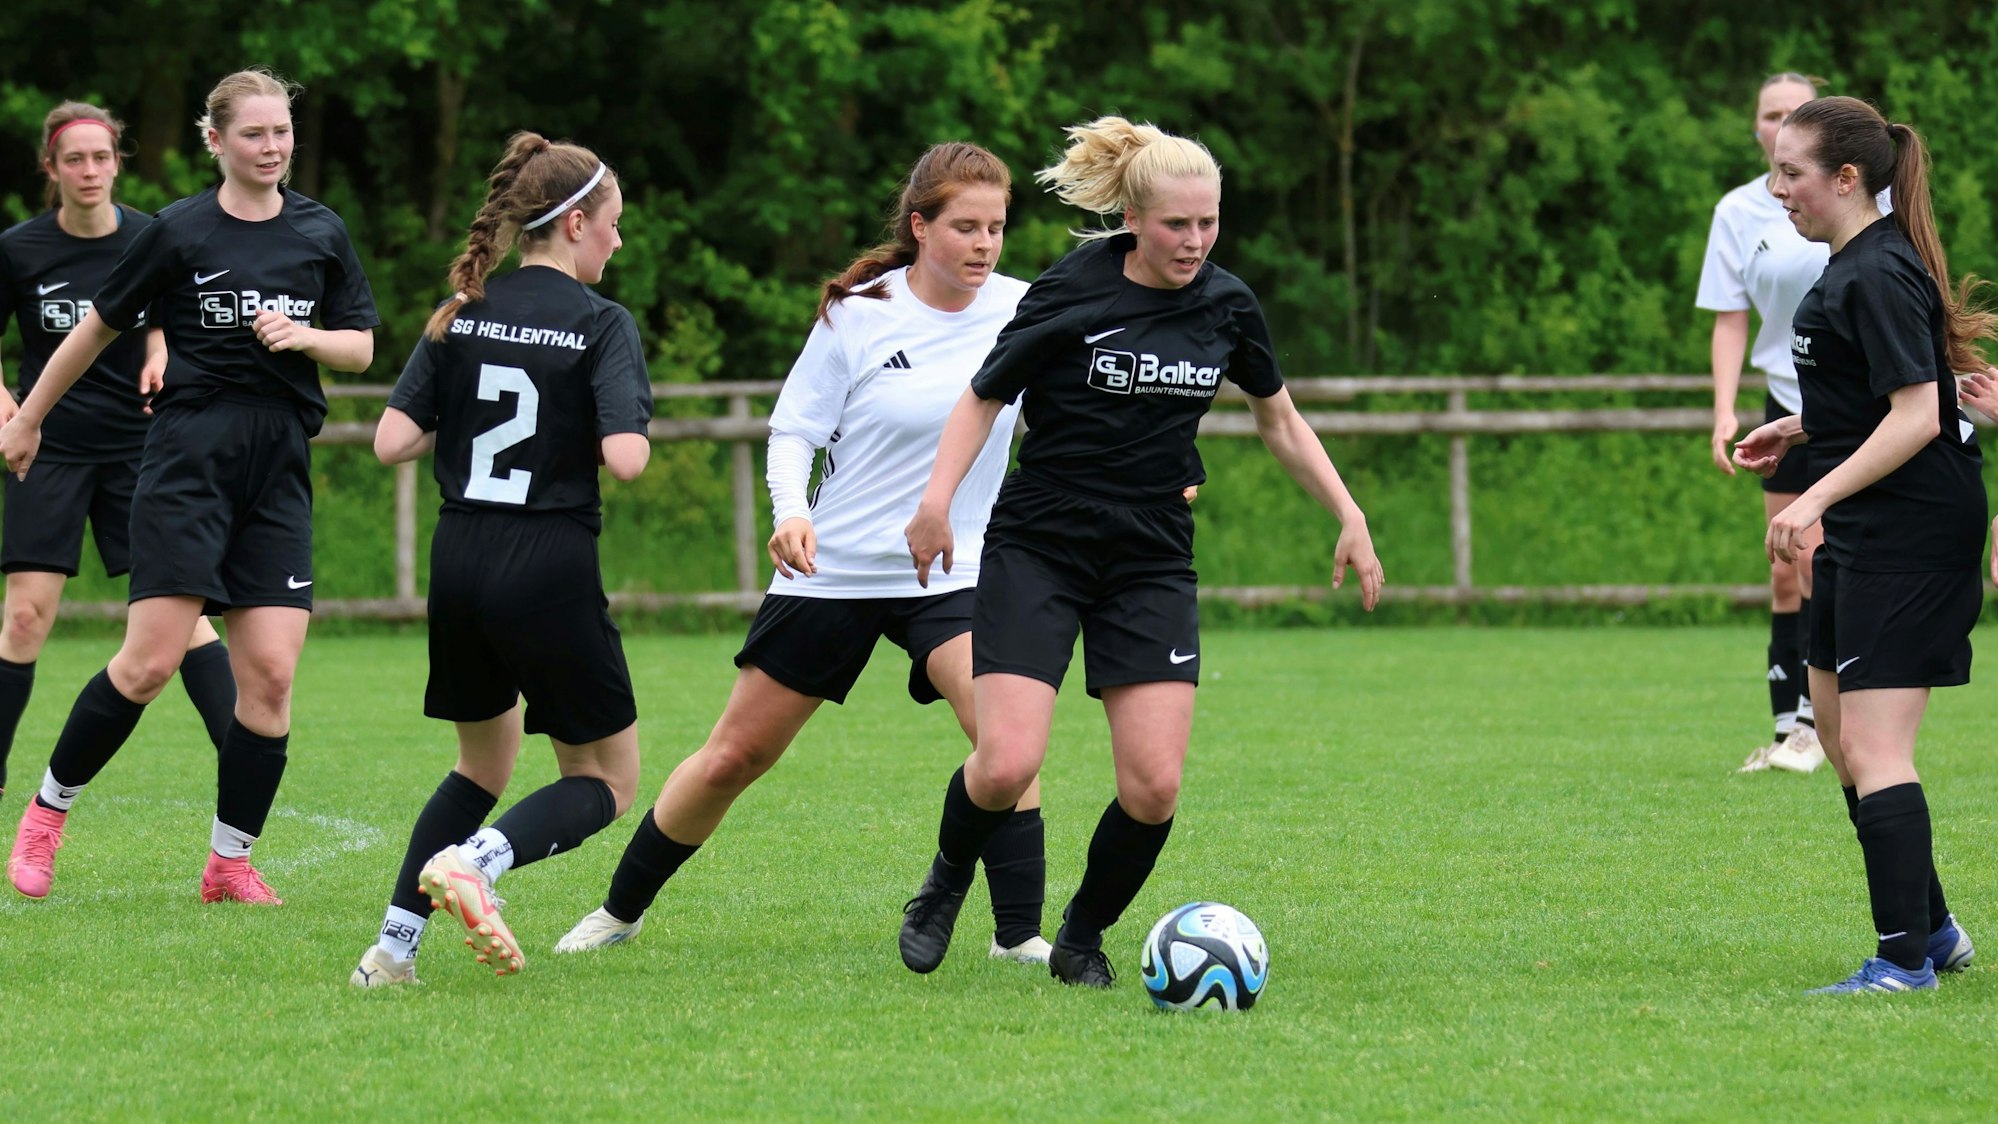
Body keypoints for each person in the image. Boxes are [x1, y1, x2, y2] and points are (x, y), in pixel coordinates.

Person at [895, 116, 1384, 988]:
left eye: (1208, 224)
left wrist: (1349, 512)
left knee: (1154, 786)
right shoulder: (1072, 290)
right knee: (1007, 762)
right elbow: (982, 398)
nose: (1194, 242)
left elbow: (1279, 418)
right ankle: (941, 887)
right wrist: (936, 505)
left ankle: (1082, 935)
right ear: (1132, 219)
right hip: (1040, 542)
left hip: (1150, 554)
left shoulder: (1228, 305)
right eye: (1175, 226)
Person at [553, 142, 1056, 966]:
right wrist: (792, 514)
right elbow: (794, 431)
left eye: (997, 228)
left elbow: (1072, 419)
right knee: (735, 755)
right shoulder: (861, 313)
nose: (985, 245)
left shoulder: (1025, 311)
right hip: (839, 570)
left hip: (956, 572)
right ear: (920, 227)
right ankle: (619, 910)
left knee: (1006, 739)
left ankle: (1016, 935)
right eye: (966, 227)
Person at [0, 69, 378, 904]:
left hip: (277, 469)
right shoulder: (176, 232)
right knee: (147, 664)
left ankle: (229, 862)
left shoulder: (320, 231)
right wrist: (27, 418)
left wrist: (307, 336)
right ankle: (46, 812)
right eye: (253, 134)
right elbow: (96, 329)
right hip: (185, 464)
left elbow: (360, 347)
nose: (272, 148)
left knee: (271, 680)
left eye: (281, 133)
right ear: (217, 142)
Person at [351, 132, 652, 987]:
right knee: (607, 781)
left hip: (459, 557)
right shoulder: (602, 323)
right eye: (615, 225)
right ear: (578, 222)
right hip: (546, 561)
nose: (619, 243)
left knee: (479, 765)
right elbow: (627, 459)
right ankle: (477, 862)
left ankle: (392, 951)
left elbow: (390, 440)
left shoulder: (463, 308)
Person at [1733, 95, 1983, 993]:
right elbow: (1884, 397)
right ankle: (1937, 931)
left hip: (1912, 529)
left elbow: (1921, 414)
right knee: (1838, 737)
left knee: (1878, 751)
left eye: (1792, 174)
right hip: (1870, 521)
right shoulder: (1850, 266)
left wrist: (1812, 500)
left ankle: (1903, 961)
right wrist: (1803, 430)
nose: (1778, 189)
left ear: (1847, 178)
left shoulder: (1876, 271)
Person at [0, 102, 236, 813]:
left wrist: (159, 353)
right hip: (52, 450)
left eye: (102, 157)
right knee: (24, 617)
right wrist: (9, 410)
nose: (90, 170)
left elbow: (168, 320)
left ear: (117, 163)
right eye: (75, 159)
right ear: (52, 169)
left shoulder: (150, 236)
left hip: (143, 452)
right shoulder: (19, 249)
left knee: (187, 617)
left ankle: (246, 768)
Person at [1695, 73, 1829, 775]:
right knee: (1785, 569)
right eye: (1770, 115)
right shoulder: (1739, 212)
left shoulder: (1860, 196)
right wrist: (1725, 409)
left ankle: (1821, 723)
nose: (1782, 124)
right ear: (1756, 129)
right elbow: (1730, 317)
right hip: (1784, 405)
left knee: (1818, 559)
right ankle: (1789, 729)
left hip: (1851, 407)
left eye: (1796, 113)